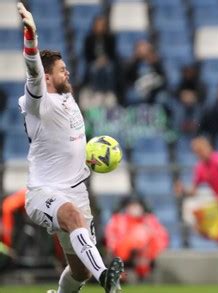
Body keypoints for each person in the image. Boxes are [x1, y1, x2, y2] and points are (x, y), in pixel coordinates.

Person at [16, 3, 123, 293]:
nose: (68, 74)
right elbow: (33, 72)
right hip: (45, 192)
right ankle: (107, 279)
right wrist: (31, 36)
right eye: (62, 71)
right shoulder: (39, 103)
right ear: (47, 77)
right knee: (72, 217)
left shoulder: (67, 96)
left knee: (79, 271)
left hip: (77, 189)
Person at [175, 136, 218, 262]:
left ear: (208, 148)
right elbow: (194, 190)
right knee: (200, 227)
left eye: (201, 150)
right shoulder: (200, 168)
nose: (200, 154)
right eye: (197, 152)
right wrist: (183, 190)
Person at [105, 197, 169, 280]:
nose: (135, 208)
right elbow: (111, 239)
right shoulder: (118, 220)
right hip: (124, 254)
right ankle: (123, 275)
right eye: (132, 206)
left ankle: (144, 273)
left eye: (137, 206)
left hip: (147, 252)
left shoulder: (150, 220)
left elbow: (161, 236)